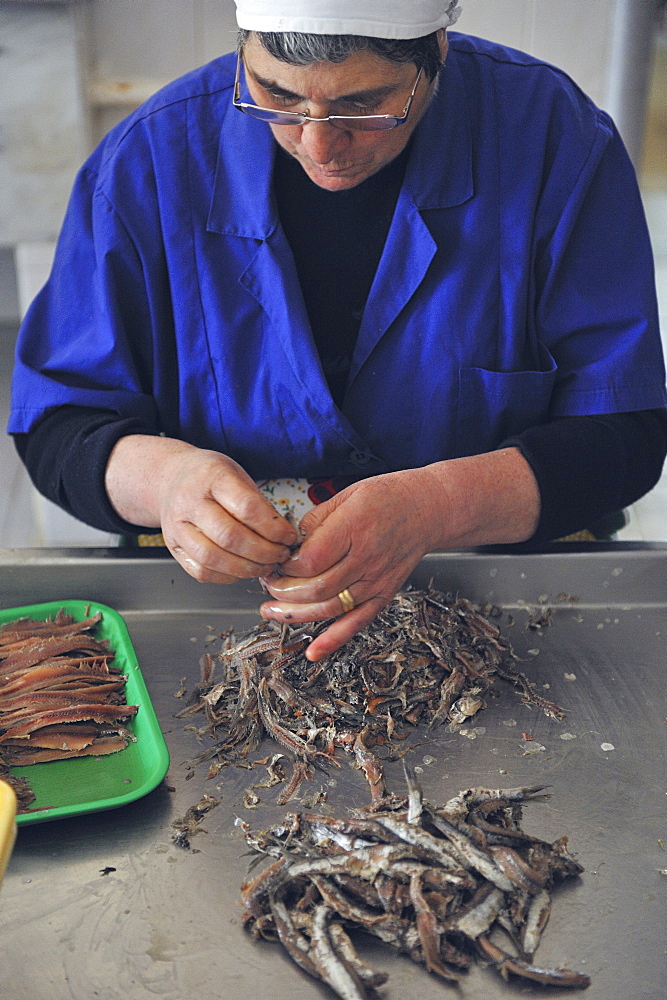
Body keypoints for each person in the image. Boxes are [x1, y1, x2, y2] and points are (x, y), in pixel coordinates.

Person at [9, 0, 667, 661]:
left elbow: (624, 433)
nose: (319, 144)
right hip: (231, 603)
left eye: (364, 105)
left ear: (436, 50)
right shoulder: (150, 160)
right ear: (244, 50)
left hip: (500, 595)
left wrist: (437, 503)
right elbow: (60, 426)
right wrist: (169, 484)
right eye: (276, 96)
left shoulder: (554, 139)